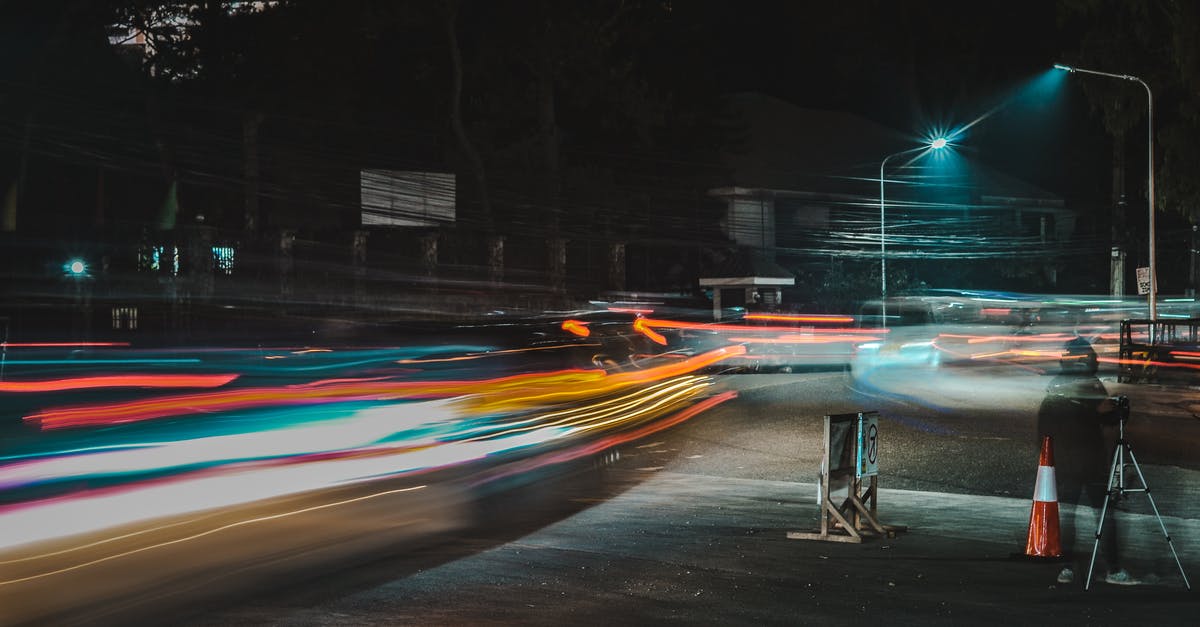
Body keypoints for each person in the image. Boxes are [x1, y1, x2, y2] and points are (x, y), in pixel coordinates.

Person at [1036, 336, 1135, 585]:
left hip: (1067, 463)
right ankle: (1113, 568)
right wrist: (1117, 414)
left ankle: (1067, 566)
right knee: (1104, 515)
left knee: (1069, 516)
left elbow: (1044, 431)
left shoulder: (1056, 387)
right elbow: (1100, 418)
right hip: (1090, 462)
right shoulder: (1090, 385)